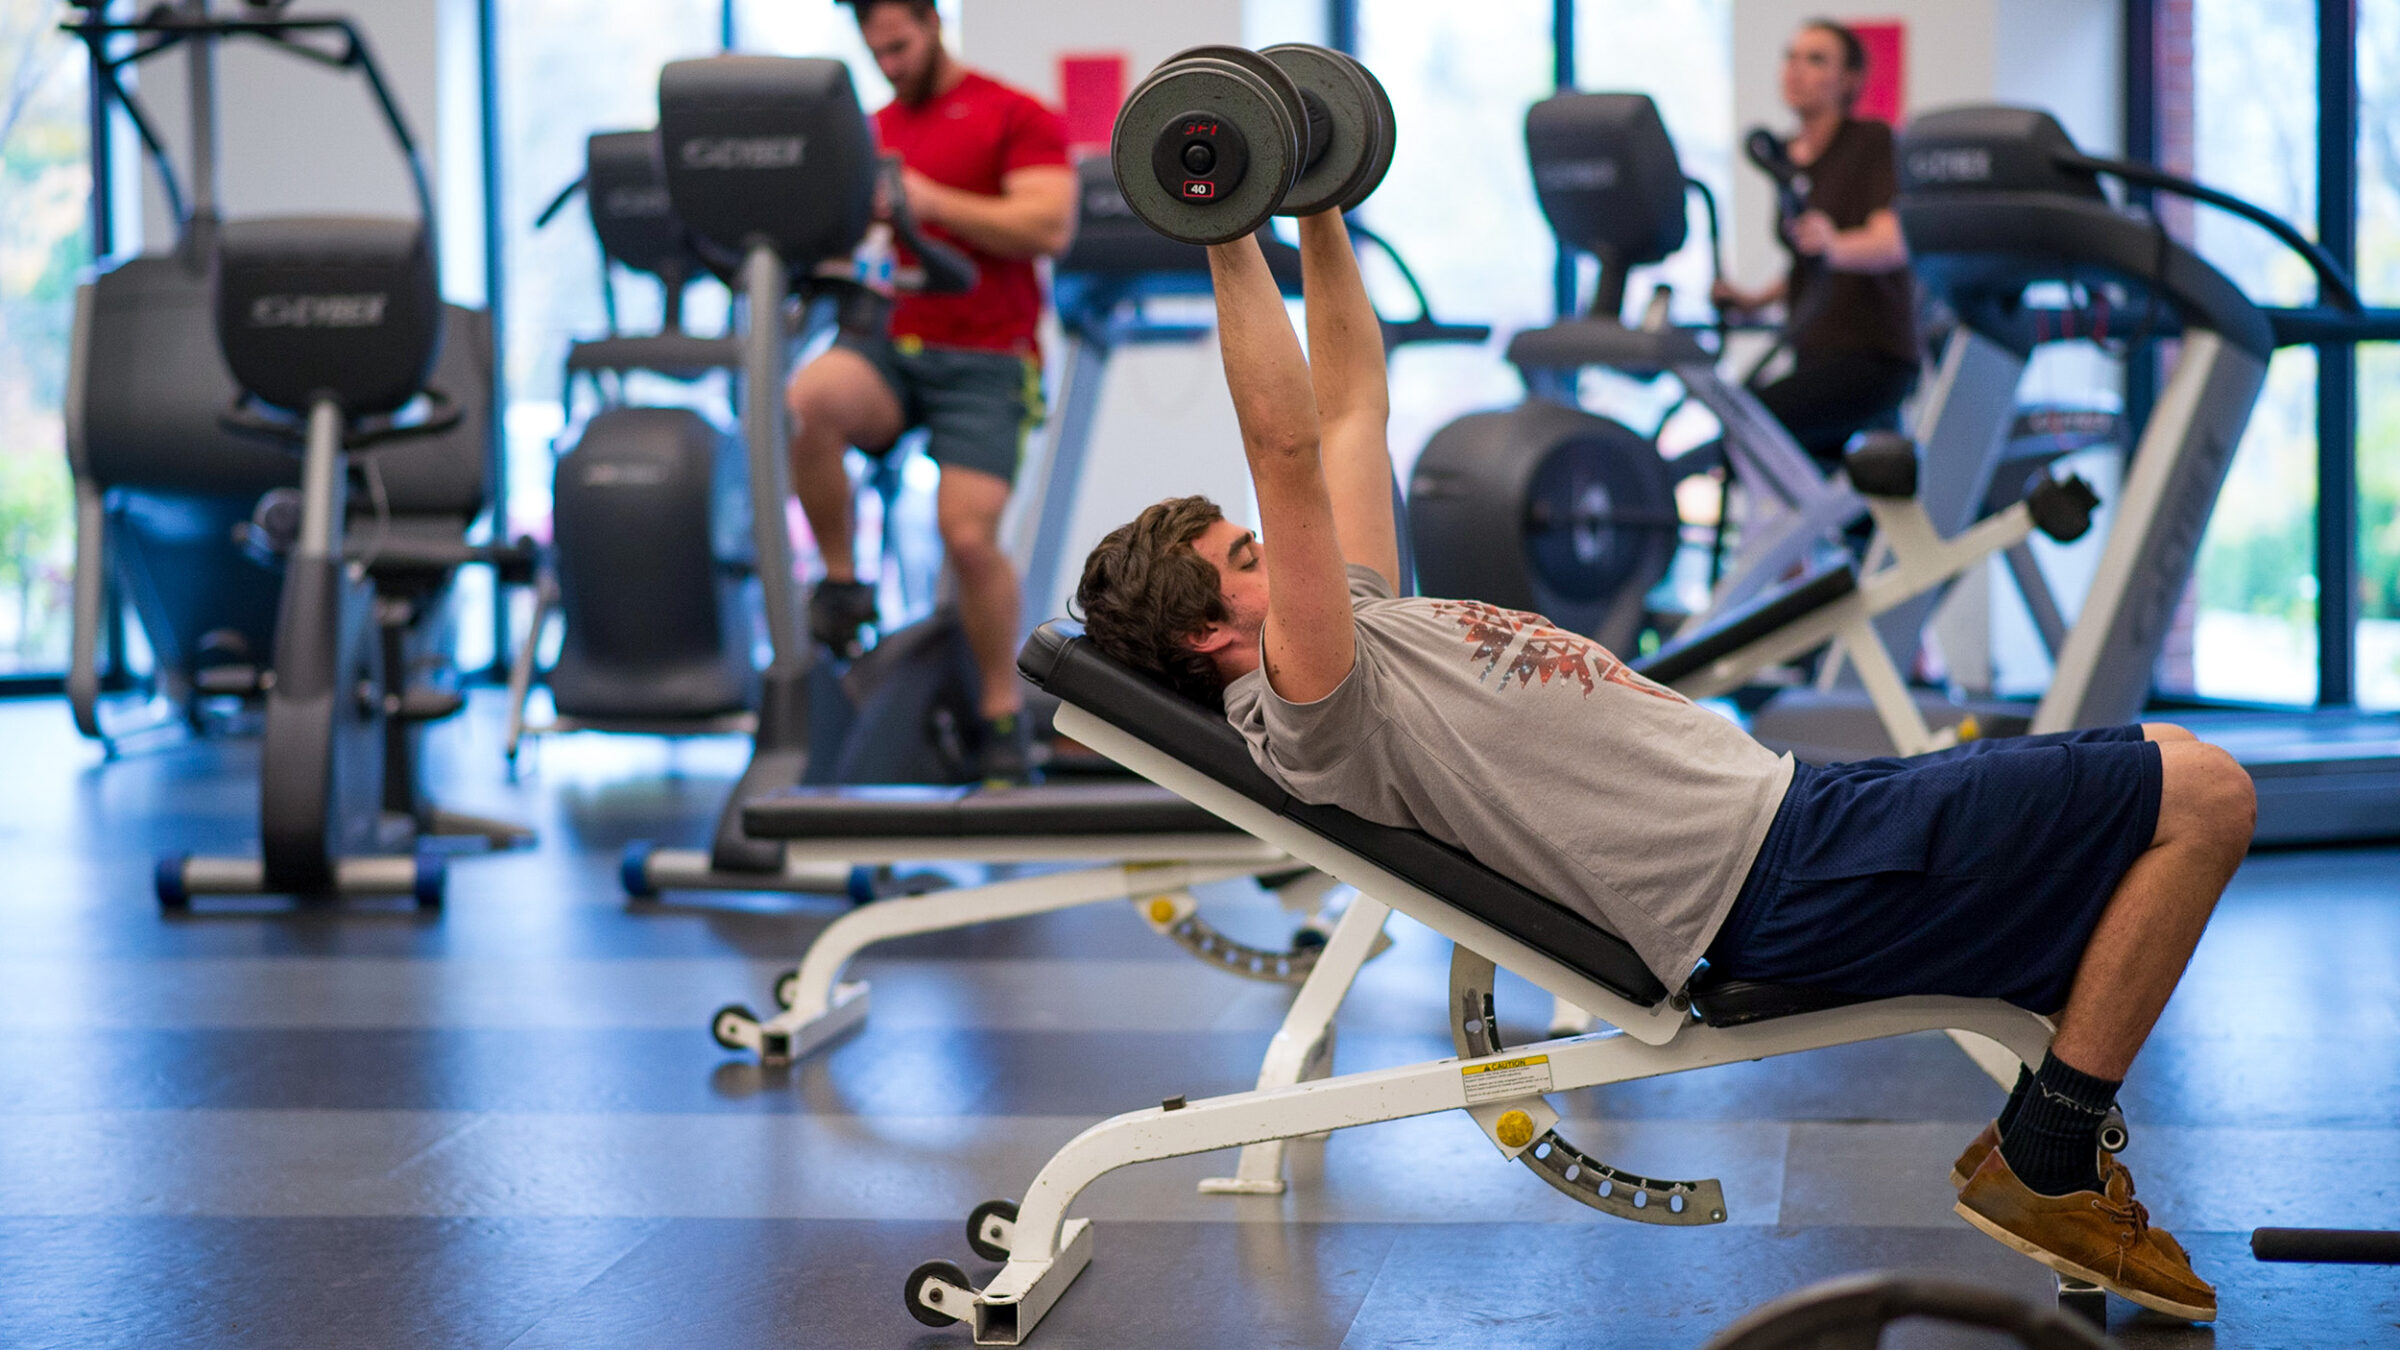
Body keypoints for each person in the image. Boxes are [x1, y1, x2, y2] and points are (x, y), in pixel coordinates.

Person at [1071, 211, 2254, 1323]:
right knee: (2207, 799)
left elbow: (1346, 411)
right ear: (1209, 639)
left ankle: (2053, 1118)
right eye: (1244, 555)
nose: (1276, 539)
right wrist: (1226, 226)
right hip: (1777, 881)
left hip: (1804, 810)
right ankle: (2048, 1152)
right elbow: (1283, 443)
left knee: (2173, 759)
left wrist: (1319, 214)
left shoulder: (1362, 622)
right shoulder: (1311, 703)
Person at [787, 0, 1075, 781]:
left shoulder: (1015, 114)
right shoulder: (872, 130)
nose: (891, 66)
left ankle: (1000, 718)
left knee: (968, 538)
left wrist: (931, 202)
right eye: (877, 53)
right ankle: (844, 584)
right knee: (806, 402)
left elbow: (1049, 226)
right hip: (892, 348)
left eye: (901, 47)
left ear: (934, 21)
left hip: (988, 357)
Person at [1713, 19, 1919, 465]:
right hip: (1813, 354)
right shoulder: (1787, 158)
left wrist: (1836, 244)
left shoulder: (1871, 141)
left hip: (1871, 358)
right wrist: (1752, 300)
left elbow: (1892, 242)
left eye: (1816, 59)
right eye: (1791, 56)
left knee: (1752, 425)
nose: (1795, 69)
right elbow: (1808, 268)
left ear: (1848, 80)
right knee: (1822, 489)